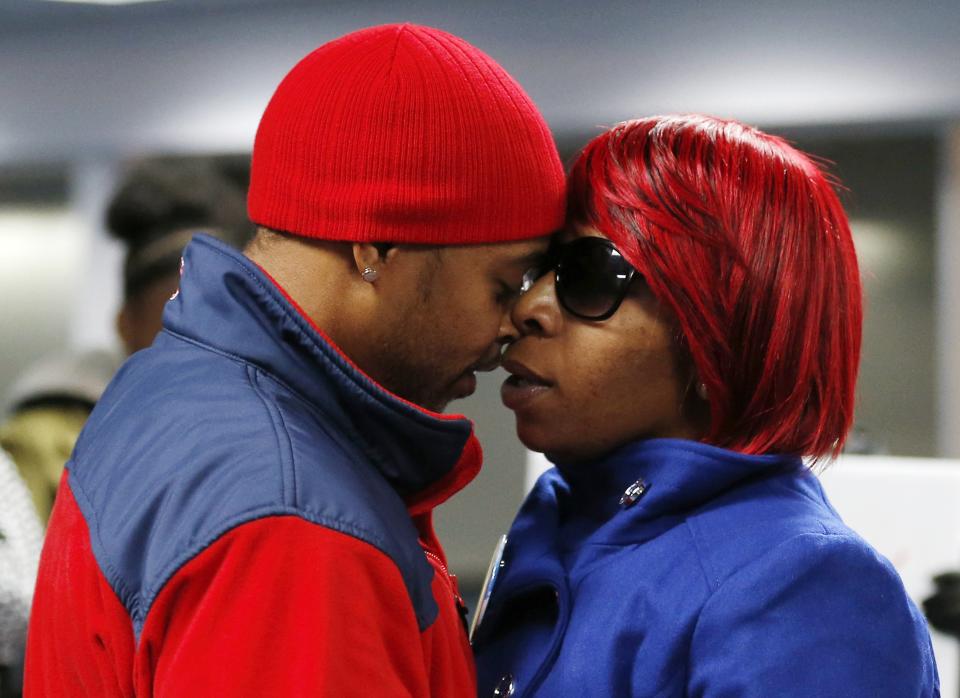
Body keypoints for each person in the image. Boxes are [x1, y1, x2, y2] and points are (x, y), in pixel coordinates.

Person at [24, 23, 564, 697]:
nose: (513, 324)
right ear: (378, 245)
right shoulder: (297, 527)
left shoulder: (164, 391)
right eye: (501, 284)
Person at [472, 115, 939, 697]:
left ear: (718, 335)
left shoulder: (804, 584)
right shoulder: (557, 528)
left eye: (588, 274)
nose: (528, 310)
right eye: (538, 270)